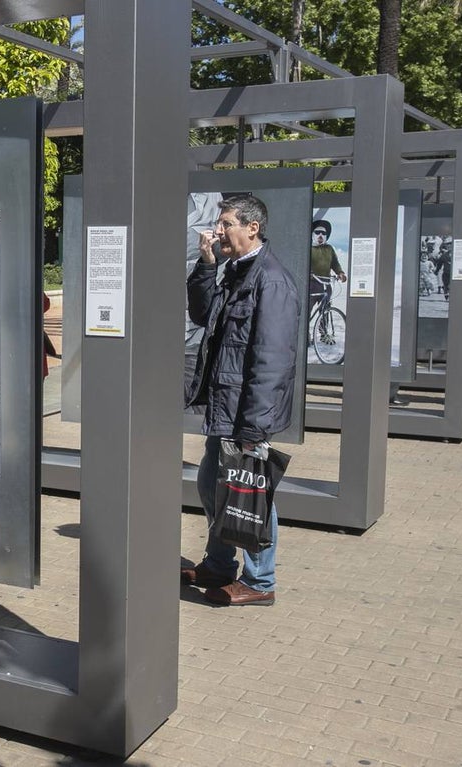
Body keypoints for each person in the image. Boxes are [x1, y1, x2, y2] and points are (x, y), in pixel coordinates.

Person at [182, 194, 299, 607]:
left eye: (226, 223)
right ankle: (218, 563)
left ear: (253, 227)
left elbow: (272, 360)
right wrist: (207, 264)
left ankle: (260, 580)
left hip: (245, 413)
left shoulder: (271, 280)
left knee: (250, 491)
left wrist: (254, 426)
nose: (218, 230)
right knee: (214, 485)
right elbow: (200, 314)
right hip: (225, 406)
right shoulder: (235, 271)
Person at [308, 219, 347, 315]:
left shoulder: (329, 249)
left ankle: (322, 329)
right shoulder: (308, 248)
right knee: (307, 310)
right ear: (313, 234)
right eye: (317, 232)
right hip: (312, 284)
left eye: (323, 233)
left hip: (326, 284)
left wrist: (340, 273)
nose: (320, 235)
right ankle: (304, 329)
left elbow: (335, 263)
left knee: (325, 310)